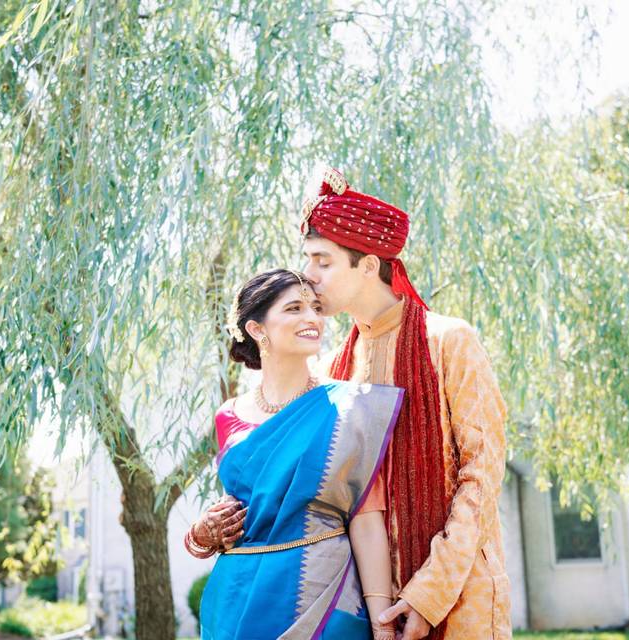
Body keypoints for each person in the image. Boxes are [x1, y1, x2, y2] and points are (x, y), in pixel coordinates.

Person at [295, 168, 512, 640]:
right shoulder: (336, 367)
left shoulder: (449, 342)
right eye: (307, 260)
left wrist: (428, 594)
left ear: (369, 266)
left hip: (459, 599)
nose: (308, 276)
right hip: (368, 609)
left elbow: (483, 473)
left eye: (322, 261)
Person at [185, 269, 404, 639]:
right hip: (237, 601)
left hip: (321, 595)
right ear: (257, 329)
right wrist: (200, 534)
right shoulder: (229, 416)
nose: (312, 319)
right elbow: (243, 508)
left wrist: (382, 623)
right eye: (294, 308)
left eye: (316, 307)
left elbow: (367, 520)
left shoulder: (349, 407)